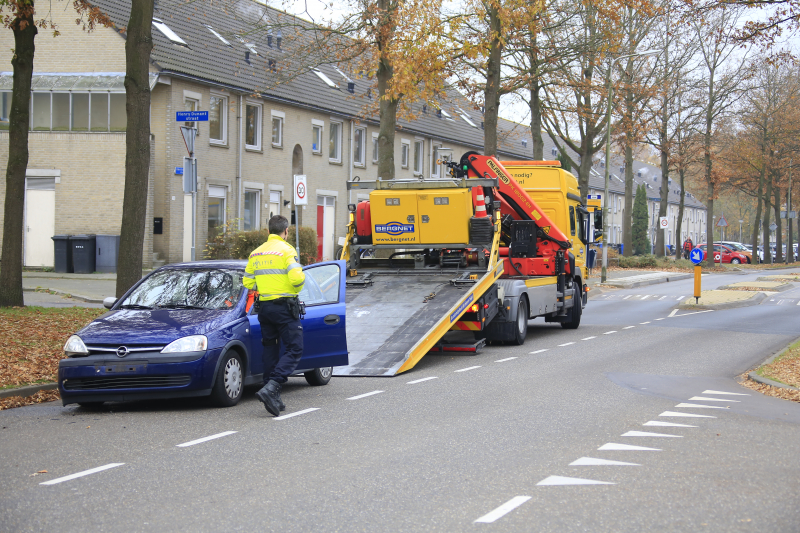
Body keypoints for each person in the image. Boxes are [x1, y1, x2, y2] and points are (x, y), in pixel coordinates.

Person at [243, 215, 305, 416]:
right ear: (286, 231)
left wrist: (266, 286)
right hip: (285, 307)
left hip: (265, 308)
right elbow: (296, 279)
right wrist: (299, 281)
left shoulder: (255, 254)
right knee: (295, 348)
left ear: (268, 231)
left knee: (270, 348)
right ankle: (273, 386)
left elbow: (248, 283)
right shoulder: (287, 250)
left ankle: (273, 396)